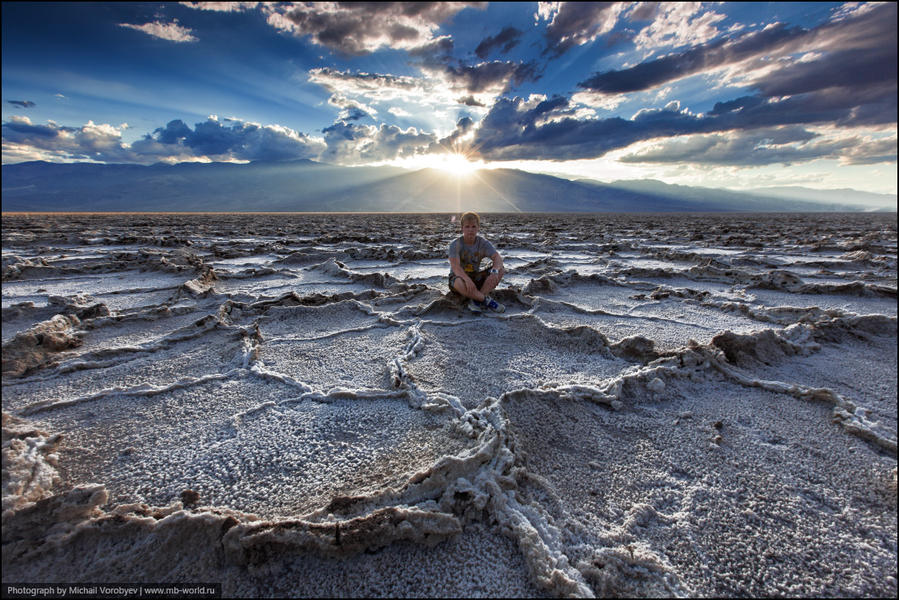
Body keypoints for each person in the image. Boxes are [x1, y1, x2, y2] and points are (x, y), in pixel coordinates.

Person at [447, 211, 506, 313]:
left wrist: (495, 271)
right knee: (458, 282)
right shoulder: (455, 244)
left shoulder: (483, 243)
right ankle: (485, 300)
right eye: (467, 227)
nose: (470, 230)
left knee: (500, 270)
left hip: (475, 277)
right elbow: (455, 267)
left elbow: (497, 258)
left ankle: (475, 301)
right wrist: (466, 279)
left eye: (473, 226)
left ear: (478, 227)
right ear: (462, 228)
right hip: (459, 278)